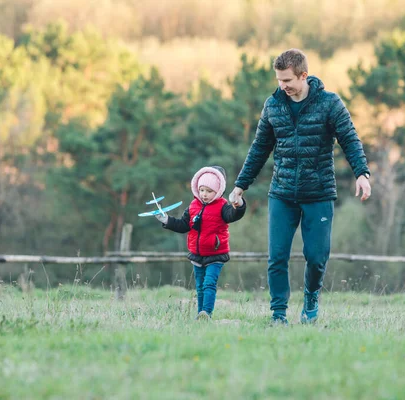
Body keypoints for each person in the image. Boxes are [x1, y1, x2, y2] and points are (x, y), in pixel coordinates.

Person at [228, 49, 371, 325]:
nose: (283, 86)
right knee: (277, 257)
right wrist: (240, 185)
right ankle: (278, 314)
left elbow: (350, 139)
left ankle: (311, 297)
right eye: (280, 81)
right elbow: (259, 148)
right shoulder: (273, 106)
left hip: (318, 193)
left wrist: (362, 173)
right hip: (282, 193)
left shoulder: (329, 104)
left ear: (303, 76)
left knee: (316, 257)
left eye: (288, 81)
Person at [156, 166, 246, 320]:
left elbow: (233, 215)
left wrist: (239, 205)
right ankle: (200, 315)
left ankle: (207, 313)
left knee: (209, 284)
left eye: (209, 191)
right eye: (202, 190)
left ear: (217, 191)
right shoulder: (192, 206)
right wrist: (167, 221)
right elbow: (183, 225)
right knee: (199, 287)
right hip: (197, 255)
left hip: (216, 254)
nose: (204, 194)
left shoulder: (223, 207)